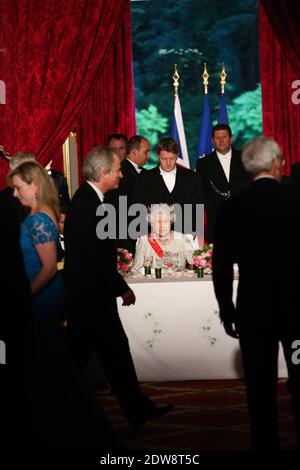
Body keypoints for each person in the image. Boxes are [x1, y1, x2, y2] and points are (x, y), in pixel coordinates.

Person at [8, 161, 121, 449]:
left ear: (34, 186)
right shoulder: (39, 215)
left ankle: (64, 424)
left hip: (40, 298)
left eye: (18, 188)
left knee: (48, 365)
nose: (15, 194)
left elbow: (48, 267)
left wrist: (23, 296)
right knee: (53, 364)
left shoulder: (38, 220)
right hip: (41, 296)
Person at [63, 146, 174, 426]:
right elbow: (96, 257)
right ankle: (56, 409)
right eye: (117, 170)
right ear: (103, 173)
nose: (122, 175)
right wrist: (121, 287)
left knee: (108, 356)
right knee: (96, 357)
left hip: (90, 296)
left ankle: (137, 409)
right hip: (91, 298)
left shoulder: (90, 199)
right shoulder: (89, 203)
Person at [212, 136, 300, 450]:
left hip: (254, 311)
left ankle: (265, 442)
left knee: (260, 385)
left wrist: (226, 308)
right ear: (277, 163)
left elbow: (220, 265)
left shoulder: (232, 208)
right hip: (296, 311)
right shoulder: (296, 200)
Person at [137, 137, 204, 236]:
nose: (168, 163)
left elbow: (198, 208)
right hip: (155, 237)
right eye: (164, 159)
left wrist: (191, 234)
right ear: (158, 156)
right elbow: (140, 209)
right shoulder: (144, 179)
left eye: (172, 158)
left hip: (185, 236)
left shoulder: (192, 177)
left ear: (177, 156)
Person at [196, 123, 250, 242]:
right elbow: (201, 191)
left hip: (243, 216)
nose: (221, 140)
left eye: (224, 137)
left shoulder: (245, 158)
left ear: (230, 138)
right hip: (216, 219)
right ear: (212, 141)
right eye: (217, 137)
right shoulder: (203, 163)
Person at [105, 135, 151, 254]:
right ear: (135, 152)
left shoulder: (141, 173)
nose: (149, 155)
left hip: (136, 237)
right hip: (125, 240)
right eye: (146, 152)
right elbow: (120, 210)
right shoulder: (123, 173)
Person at [132, 203, 195, 271]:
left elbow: (193, 265)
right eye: (158, 222)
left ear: (171, 222)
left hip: (178, 280)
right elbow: (136, 269)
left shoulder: (182, 239)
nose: (162, 226)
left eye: (165, 222)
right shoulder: (144, 240)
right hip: (153, 281)